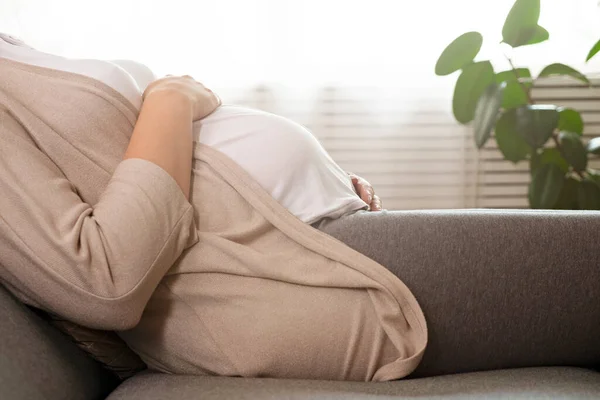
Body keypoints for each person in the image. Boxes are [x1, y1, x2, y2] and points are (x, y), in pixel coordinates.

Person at [1, 33, 600, 382]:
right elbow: (100, 280)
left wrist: (314, 182)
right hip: (297, 282)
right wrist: (170, 100)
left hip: (320, 239)